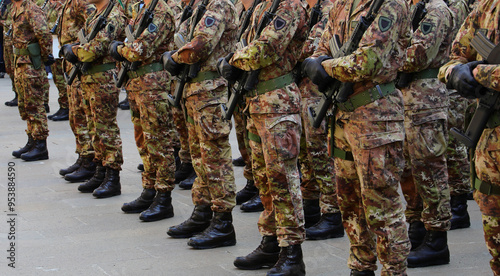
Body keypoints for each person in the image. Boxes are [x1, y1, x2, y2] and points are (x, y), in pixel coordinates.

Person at [302, 0, 412, 273]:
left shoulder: (390, 5)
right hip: (343, 115)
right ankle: (361, 266)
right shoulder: (341, 4)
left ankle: (393, 270)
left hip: (376, 117)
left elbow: (368, 60)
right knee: (348, 201)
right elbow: (324, 44)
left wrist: (325, 68)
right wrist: (318, 60)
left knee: (382, 207)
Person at [220, 0, 308, 274]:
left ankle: (292, 252)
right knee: (264, 179)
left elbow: (266, 48)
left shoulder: (290, 6)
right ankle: (271, 241)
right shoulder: (263, 6)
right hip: (257, 103)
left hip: (277, 104)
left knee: (283, 178)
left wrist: (233, 60)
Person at [163, 0, 238, 250]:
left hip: (210, 92)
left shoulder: (219, 5)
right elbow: (182, 35)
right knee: (199, 157)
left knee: (215, 157)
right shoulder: (200, 6)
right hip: (195, 92)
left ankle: (223, 222)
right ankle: (203, 211)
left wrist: (174, 57)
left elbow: (199, 46)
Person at [439, 0, 500, 273]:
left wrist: (477, 72)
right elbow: (454, 57)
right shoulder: (487, 6)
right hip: (490, 148)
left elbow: (476, 67)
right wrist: (455, 72)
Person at [397, 0, 453, 267]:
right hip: (405, 99)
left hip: (426, 100)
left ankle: (437, 239)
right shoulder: (406, 7)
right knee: (409, 170)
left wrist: (382, 56)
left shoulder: (436, 10)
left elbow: (418, 55)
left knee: (430, 171)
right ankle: (417, 226)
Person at [110, 0, 177, 221]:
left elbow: (140, 49)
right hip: (138, 84)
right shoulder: (143, 10)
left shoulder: (161, 12)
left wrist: (119, 48)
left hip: (154, 86)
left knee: (159, 142)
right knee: (144, 141)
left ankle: (163, 197)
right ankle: (149, 189)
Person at [62, 0, 126, 198]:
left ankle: (112, 177)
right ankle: (100, 170)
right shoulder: (96, 13)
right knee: (94, 128)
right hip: (90, 78)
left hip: (103, 78)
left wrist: (74, 51)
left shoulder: (113, 16)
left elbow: (95, 48)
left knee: (106, 129)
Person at [297, 0, 344, 240]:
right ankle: (311, 205)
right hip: (302, 91)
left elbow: (315, 48)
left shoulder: (330, 9)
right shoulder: (304, 8)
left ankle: (332, 213)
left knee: (321, 154)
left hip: (318, 92)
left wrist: (289, 51)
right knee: (306, 154)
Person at [56, 0, 96, 182]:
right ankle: (82, 154)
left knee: (82, 113)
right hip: (70, 62)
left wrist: (77, 47)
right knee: (74, 114)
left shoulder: (82, 2)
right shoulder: (68, 2)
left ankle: (90, 159)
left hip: (80, 60)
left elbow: (94, 27)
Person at [10, 0, 53, 161]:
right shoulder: (16, 7)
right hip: (20, 62)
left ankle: (41, 145)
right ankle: (32, 140)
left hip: (30, 64)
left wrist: (43, 56)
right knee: (26, 104)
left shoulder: (31, 9)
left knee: (35, 105)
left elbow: (43, 34)